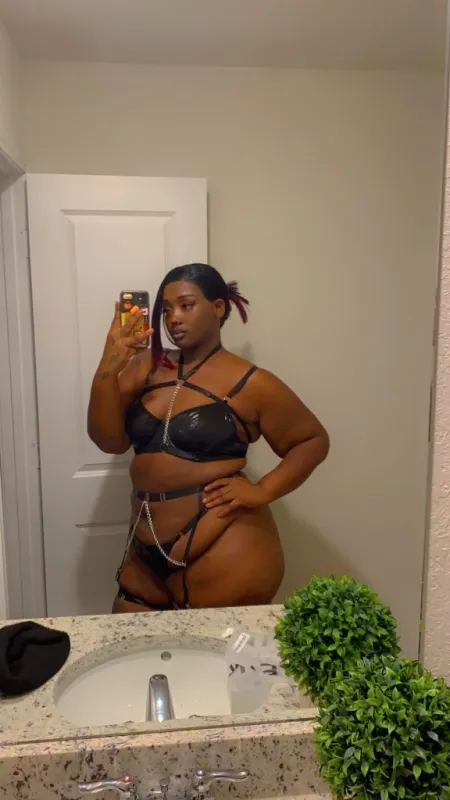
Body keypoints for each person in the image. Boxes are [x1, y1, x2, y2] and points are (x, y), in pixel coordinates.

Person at [88, 264, 329, 612]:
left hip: (223, 540)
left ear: (217, 308)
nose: (173, 318)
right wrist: (109, 364)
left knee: (215, 646)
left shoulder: (251, 381)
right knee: (130, 639)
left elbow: (312, 441)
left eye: (186, 305)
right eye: (166, 310)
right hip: (145, 541)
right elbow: (109, 441)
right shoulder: (144, 367)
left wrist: (263, 490)